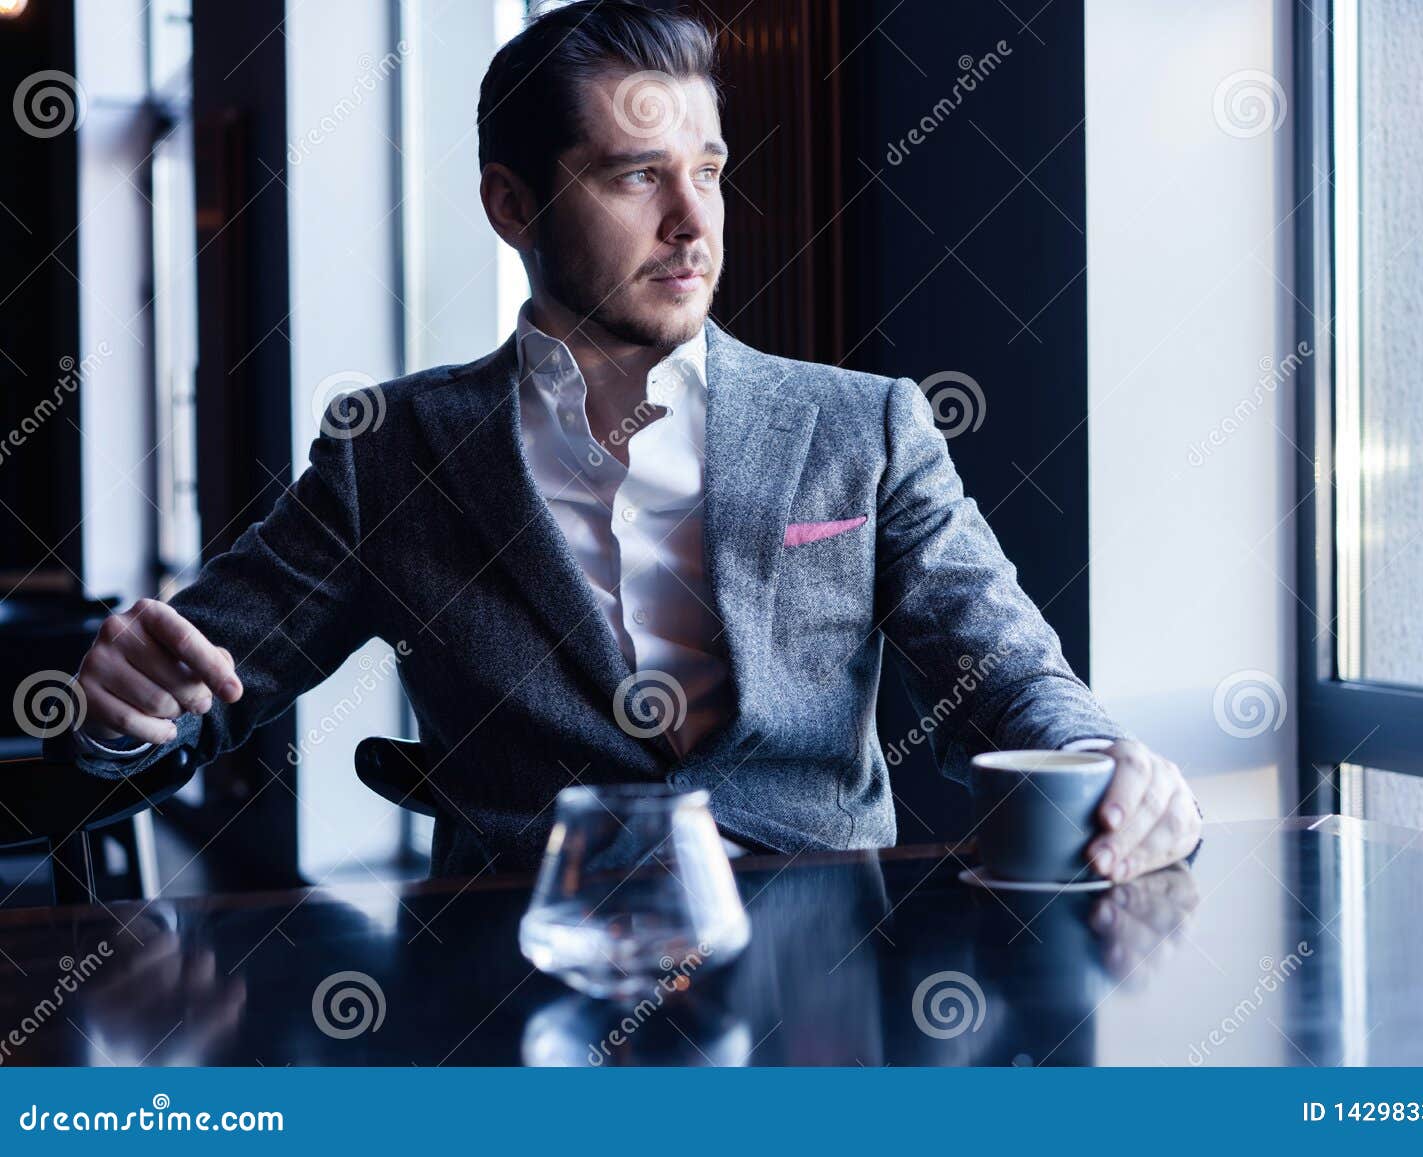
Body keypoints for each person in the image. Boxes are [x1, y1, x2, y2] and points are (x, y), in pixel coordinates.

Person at [58, 0, 1200, 881]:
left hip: (822, 980)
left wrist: (1114, 771)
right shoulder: (391, 454)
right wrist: (117, 712)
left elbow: (1014, 680)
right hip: (518, 974)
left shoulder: (867, 425)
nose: (694, 219)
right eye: (636, 174)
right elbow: (172, 708)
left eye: (707, 171)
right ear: (512, 206)